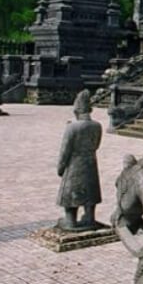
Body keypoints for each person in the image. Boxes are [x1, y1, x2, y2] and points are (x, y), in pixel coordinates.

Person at [56, 90, 102, 230]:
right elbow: (96, 145)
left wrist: (61, 167)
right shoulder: (97, 126)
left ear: (76, 110)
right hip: (90, 162)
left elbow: (65, 150)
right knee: (90, 188)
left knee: (71, 191)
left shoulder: (72, 127)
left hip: (74, 163)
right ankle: (90, 217)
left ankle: (71, 220)